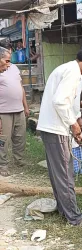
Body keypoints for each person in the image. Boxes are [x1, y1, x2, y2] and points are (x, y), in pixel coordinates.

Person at [37, 47, 82, 226]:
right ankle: (74, 217)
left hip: (54, 127)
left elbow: (69, 102)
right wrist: (73, 124)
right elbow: (59, 101)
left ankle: (64, 209)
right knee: (64, 173)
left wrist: (77, 121)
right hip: (56, 128)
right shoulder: (72, 73)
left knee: (59, 172)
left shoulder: (73, 72)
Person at [0, 40, 29, 177]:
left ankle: (19, 160)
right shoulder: (1, 69)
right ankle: (3, 164)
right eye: (6, 59)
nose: (8, 63)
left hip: (19, 109)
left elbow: (21, 87)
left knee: (20, 137)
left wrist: (26, 106)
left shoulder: (14, 68)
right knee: (3, 139)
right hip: (3, 111)